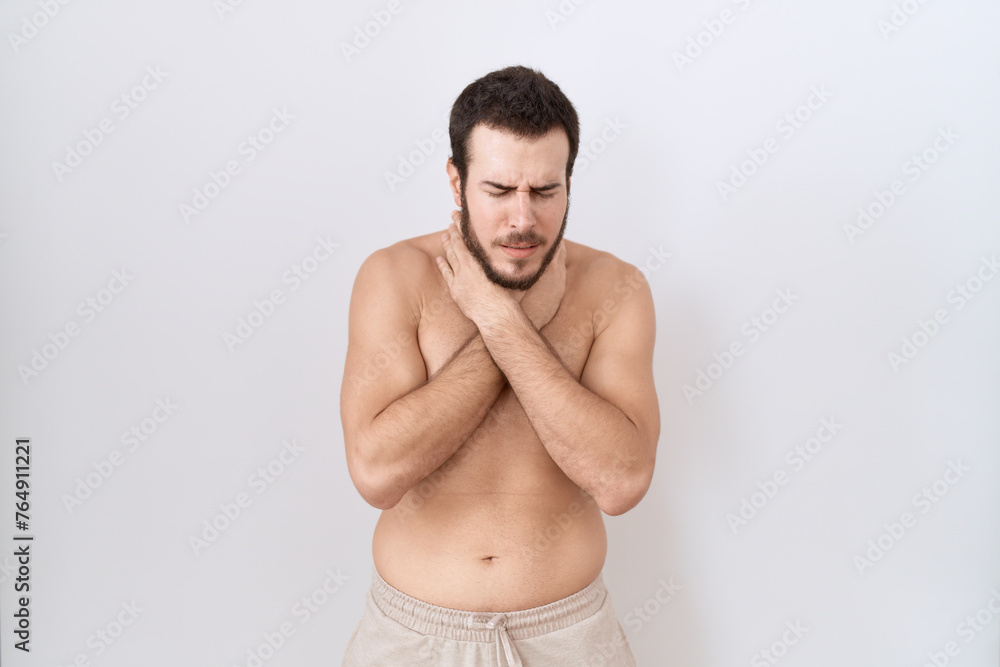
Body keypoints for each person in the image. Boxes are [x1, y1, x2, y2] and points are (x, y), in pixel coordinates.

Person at [340, 65, 659, 666]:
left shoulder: (616, 289)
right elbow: (376, 474)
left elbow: (622, 482)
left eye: (544, 192)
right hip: (413, 640)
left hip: (569, 639)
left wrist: (501, 319)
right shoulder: (393, 277)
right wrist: (510, 318)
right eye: (498, 191)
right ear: (456, 183)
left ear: (569, 183)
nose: (522, 220)